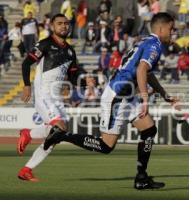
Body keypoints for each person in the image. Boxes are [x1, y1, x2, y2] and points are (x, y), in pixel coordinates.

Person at [43, 12, 180, 190]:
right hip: (118, 96)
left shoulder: (145, 41)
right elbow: (141, 70)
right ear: (161, 28)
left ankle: (141, 177)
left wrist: (163, 93)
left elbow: (145, 71)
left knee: (149, 129)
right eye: (171, 29)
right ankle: (60, 135)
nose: (173, 32)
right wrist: (146, 99)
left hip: (126, 95)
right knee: (106, 146)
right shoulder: (155, 45)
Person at [17, 14, 85, 182]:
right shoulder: (45, 44)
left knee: (55, 136)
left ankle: (27, 166)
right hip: (43, 93)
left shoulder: (70, 51)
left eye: (66, 24)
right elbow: (26, 63)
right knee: (59, 129)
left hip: (57, 98)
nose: (64, 26)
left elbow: (73, 78)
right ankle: (28, 143)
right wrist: (27, 86)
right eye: (60, 23)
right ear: (53, 26)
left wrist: (85, 81)